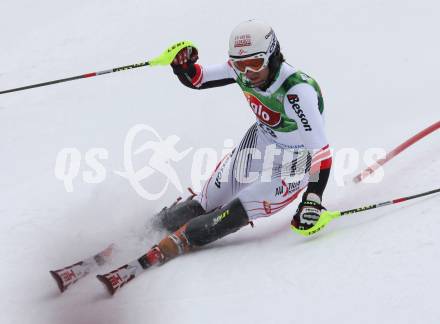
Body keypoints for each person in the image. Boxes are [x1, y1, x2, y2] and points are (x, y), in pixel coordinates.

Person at [142, 20, 332, 266]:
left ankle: (182, 241)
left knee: (238, 208)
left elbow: (321, 154)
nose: (247, 73)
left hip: (297, 161)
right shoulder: (242, 70)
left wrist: (313, 199)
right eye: (240, 65)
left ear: (272, 56)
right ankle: (148, 229)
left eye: (254, 64)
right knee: (206, 201)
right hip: (262, 141)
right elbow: (198, 79)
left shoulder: (297, 91)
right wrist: (183, 66)